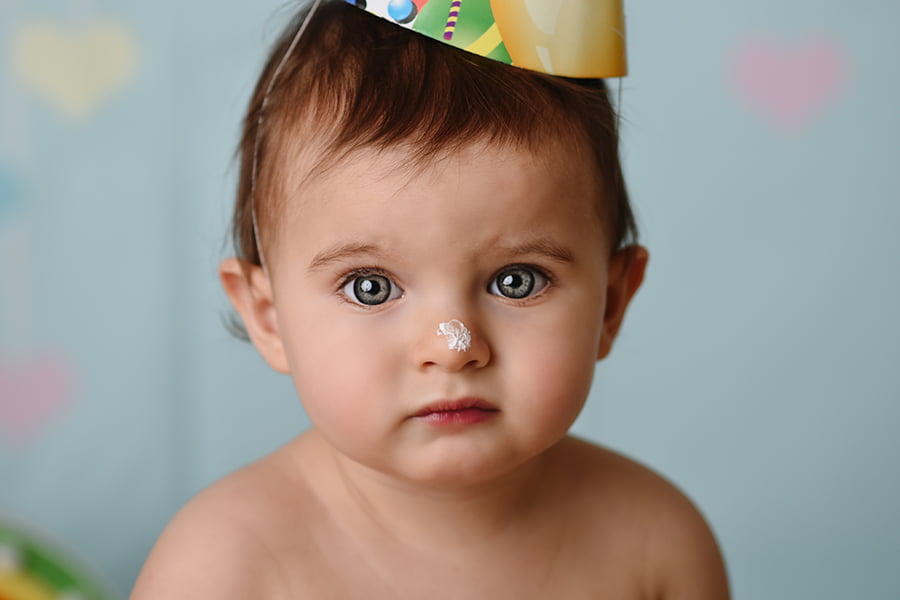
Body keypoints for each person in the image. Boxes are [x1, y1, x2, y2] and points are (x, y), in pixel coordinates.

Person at [132, 1, 730, 597]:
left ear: (610, 303)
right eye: (371, 287)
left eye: (517, 280)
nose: (453, 347)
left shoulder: (657, 545)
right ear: (269, 318)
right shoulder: (222, 567)